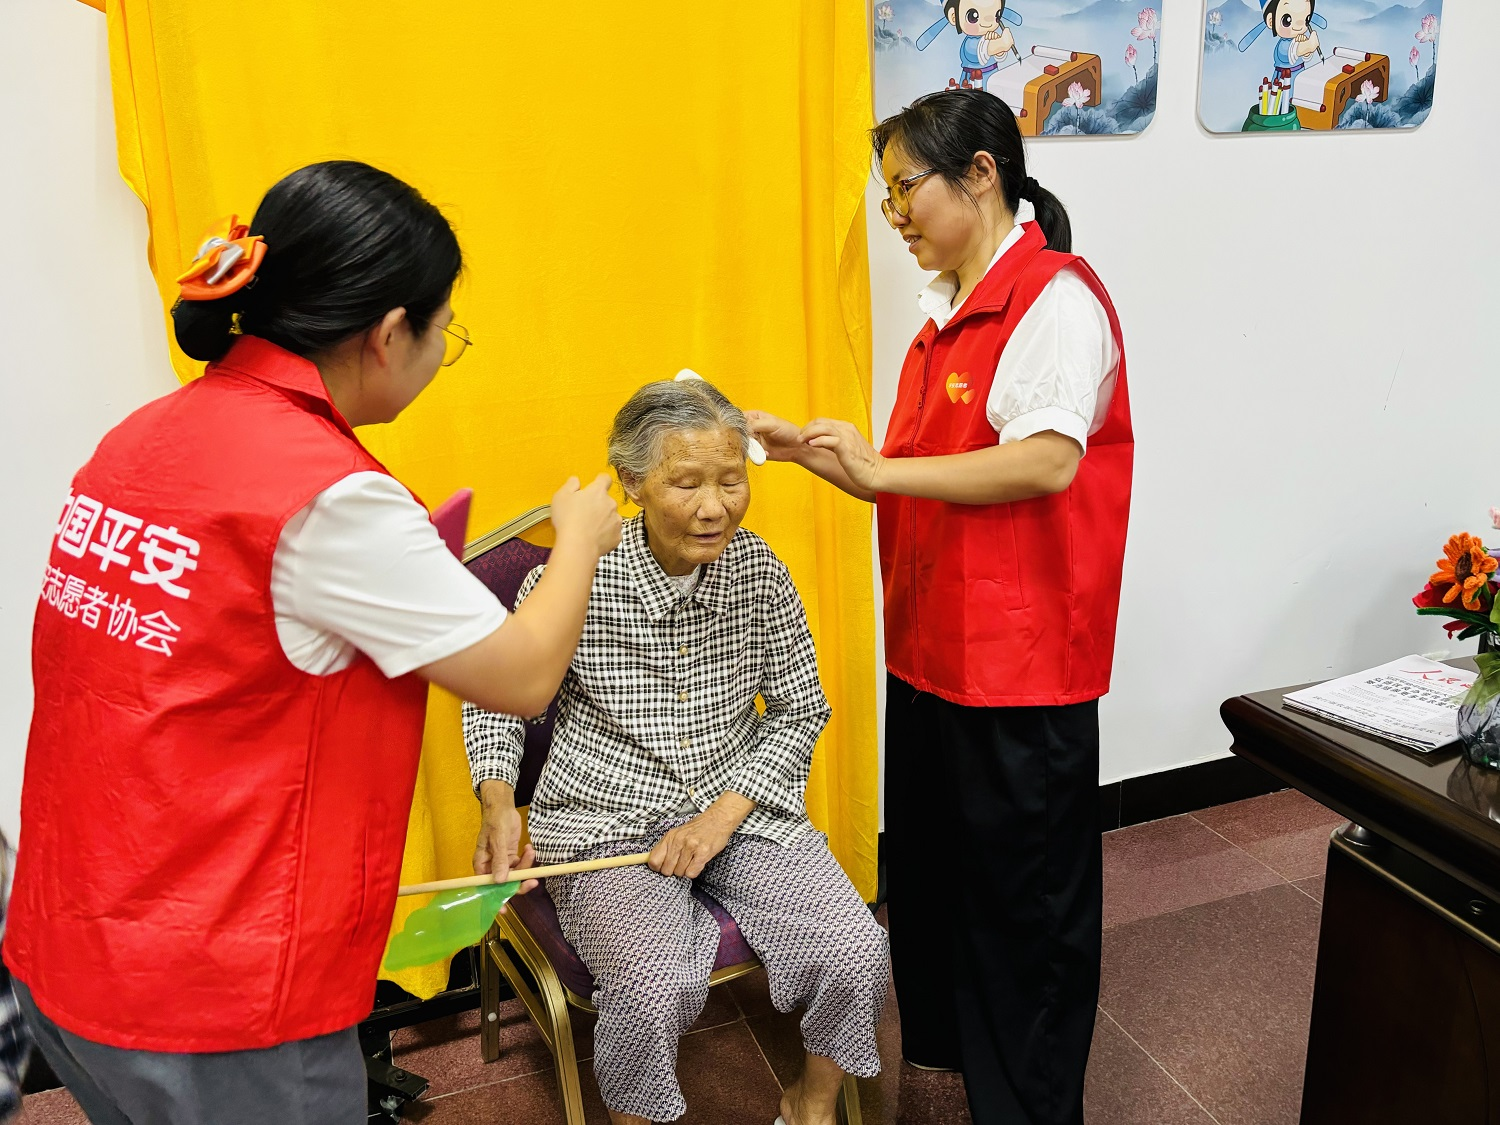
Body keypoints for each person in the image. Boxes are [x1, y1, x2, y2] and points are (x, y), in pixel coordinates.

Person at [4, 160, 621, 1125]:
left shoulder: (143, 436)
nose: (439, 353)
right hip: (219, 994)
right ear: (389, 333)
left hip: (73, 941)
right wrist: (576, 539)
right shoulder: (326, 495)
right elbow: (526, 675)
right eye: (444, 333)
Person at [747, 88, 1132, 1125]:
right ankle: (964, 1068)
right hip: (929, 655)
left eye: (904, 189)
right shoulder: (942, 317)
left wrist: (881, 473)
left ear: (981, 174)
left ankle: (1032, 1104)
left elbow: (1046, 461)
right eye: (887, 198)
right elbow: (916, 481)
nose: (896, 216)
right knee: (937, 883)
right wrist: (815, 456)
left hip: (1018, 668)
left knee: (1023, 905)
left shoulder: (1054, 299)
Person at [464, 378, 890, 1125]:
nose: (714, 506)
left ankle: (812, 1105)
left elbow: (801, 710)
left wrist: (720, 819)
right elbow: (498, 698)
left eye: (732, 480)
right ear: (631, 482)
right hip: (605, 816)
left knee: (855, 947)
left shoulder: (759, 571)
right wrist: (498, 801)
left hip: (739, 805)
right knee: (652, 985)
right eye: (687, 483)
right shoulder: (572, 578)